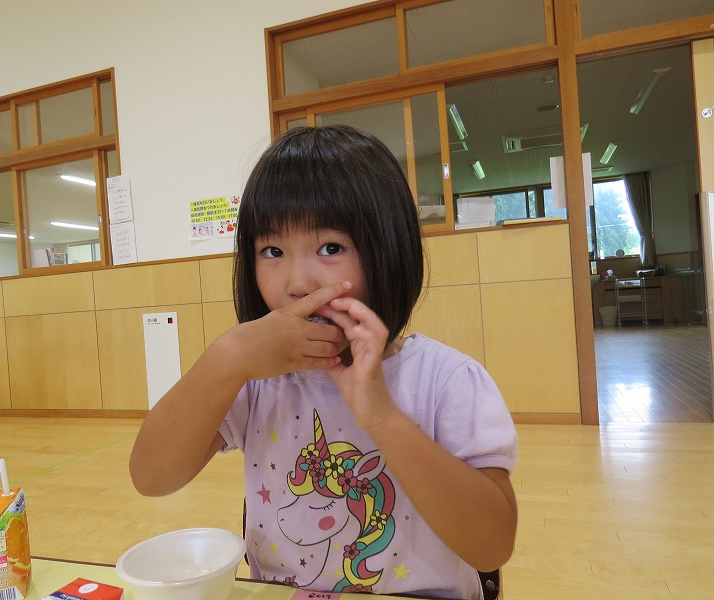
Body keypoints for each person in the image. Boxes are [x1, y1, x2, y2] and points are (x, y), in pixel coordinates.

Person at [129, 125, 517, 599]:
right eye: (272, 251)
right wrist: (226, 357)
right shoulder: (258, 382)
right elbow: (152, 477)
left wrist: (381, 414)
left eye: (330, 248)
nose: (297, 283)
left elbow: (491, 546)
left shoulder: (446, 380)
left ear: (388, 250)